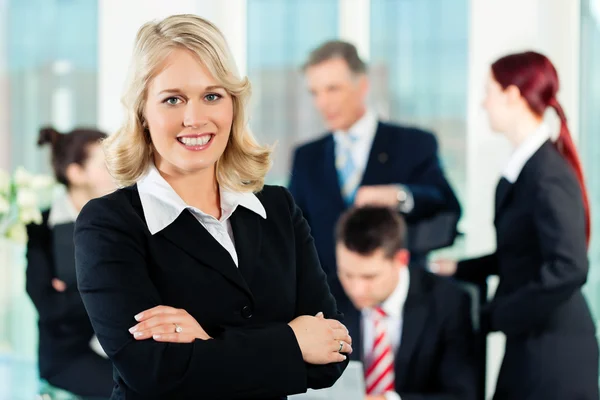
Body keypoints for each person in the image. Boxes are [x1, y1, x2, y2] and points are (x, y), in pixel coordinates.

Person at [74, 14, 351, 400]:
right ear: (142, 112)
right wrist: (292, 341)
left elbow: (333, 353)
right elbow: (155, 372)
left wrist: (206, 341)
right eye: (173, 99)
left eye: (212, 95)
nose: (194, 118)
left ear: (233, 105)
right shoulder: (109, 224)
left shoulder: (277, 208)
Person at [432, 51, 599, 399]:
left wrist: (494, 316)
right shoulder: (529, 168)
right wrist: (461, 267)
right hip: (533, 341)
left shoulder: (546, 173)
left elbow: (569, 267)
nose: (483, 103)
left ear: (512, 95)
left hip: (552, 352)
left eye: (489, 92)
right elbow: (523, 251)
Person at [289, 40, 461, 300]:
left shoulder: (413, 144)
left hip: (401, 303)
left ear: (363, 86)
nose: (322, 103)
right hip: (330, 305)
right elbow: (295, 235)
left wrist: (399, 196)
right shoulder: (306, 157)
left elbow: (447, 205)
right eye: (315, 92)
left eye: (333, 89)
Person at [335, 206, 476, 400]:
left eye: (370, 277)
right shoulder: (328, 298)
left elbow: (462, 395)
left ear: (401, 260)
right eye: (347, 274)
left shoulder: (448, 303)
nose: (356, 289)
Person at [26, 127, 116, 398]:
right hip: (69, 356)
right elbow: (49, 306)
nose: (117, 168)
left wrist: (76, 288)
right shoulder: (41, 227)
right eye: (105, 164)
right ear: (76, 173)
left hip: (121, 347)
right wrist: (108, 289)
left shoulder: (121, 218)